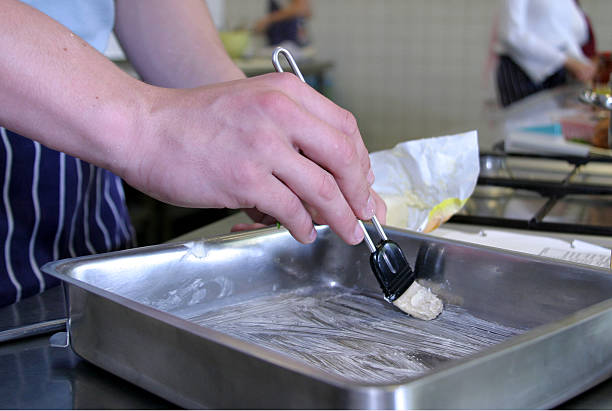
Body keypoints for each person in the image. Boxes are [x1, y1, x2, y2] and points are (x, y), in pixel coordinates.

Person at [0, 0, 386, 308]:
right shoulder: (131, 127)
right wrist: (145, 124)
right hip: (92, 122)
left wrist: (258, 135)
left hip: (85, 180)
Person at [495, 0, 597, 107]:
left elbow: (563, 32)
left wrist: (582, 63)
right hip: (522, 70)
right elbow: (511, 34)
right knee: (526, 121)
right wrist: (565, 60)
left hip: (557, 70)